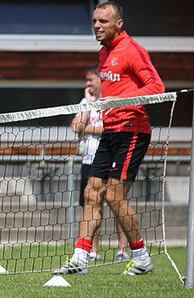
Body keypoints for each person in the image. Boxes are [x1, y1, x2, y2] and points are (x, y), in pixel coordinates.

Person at [55, 1, 164, 276]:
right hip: (109, 131)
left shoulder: (132, 50)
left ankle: (141, 257)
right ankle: (80, 259)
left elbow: (157, 87)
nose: (97, 26)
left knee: (115, 197)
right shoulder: (103, 52)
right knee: (91, 193)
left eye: (103, 21)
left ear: (118, 24)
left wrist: (119, 100)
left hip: (132, 130)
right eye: (94, 21)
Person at [70, 64, 129, 263]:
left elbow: (109, 129)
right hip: (89, 161)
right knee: (92, 204)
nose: (87, 84)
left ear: (100, 79)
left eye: (90, 80)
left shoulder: (111, 100)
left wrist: (87, 129)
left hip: (111, 158)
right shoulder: (86, 102)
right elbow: (76, 126)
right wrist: (88, 104)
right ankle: (93, 250)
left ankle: (123, 249)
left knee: (117, 203)